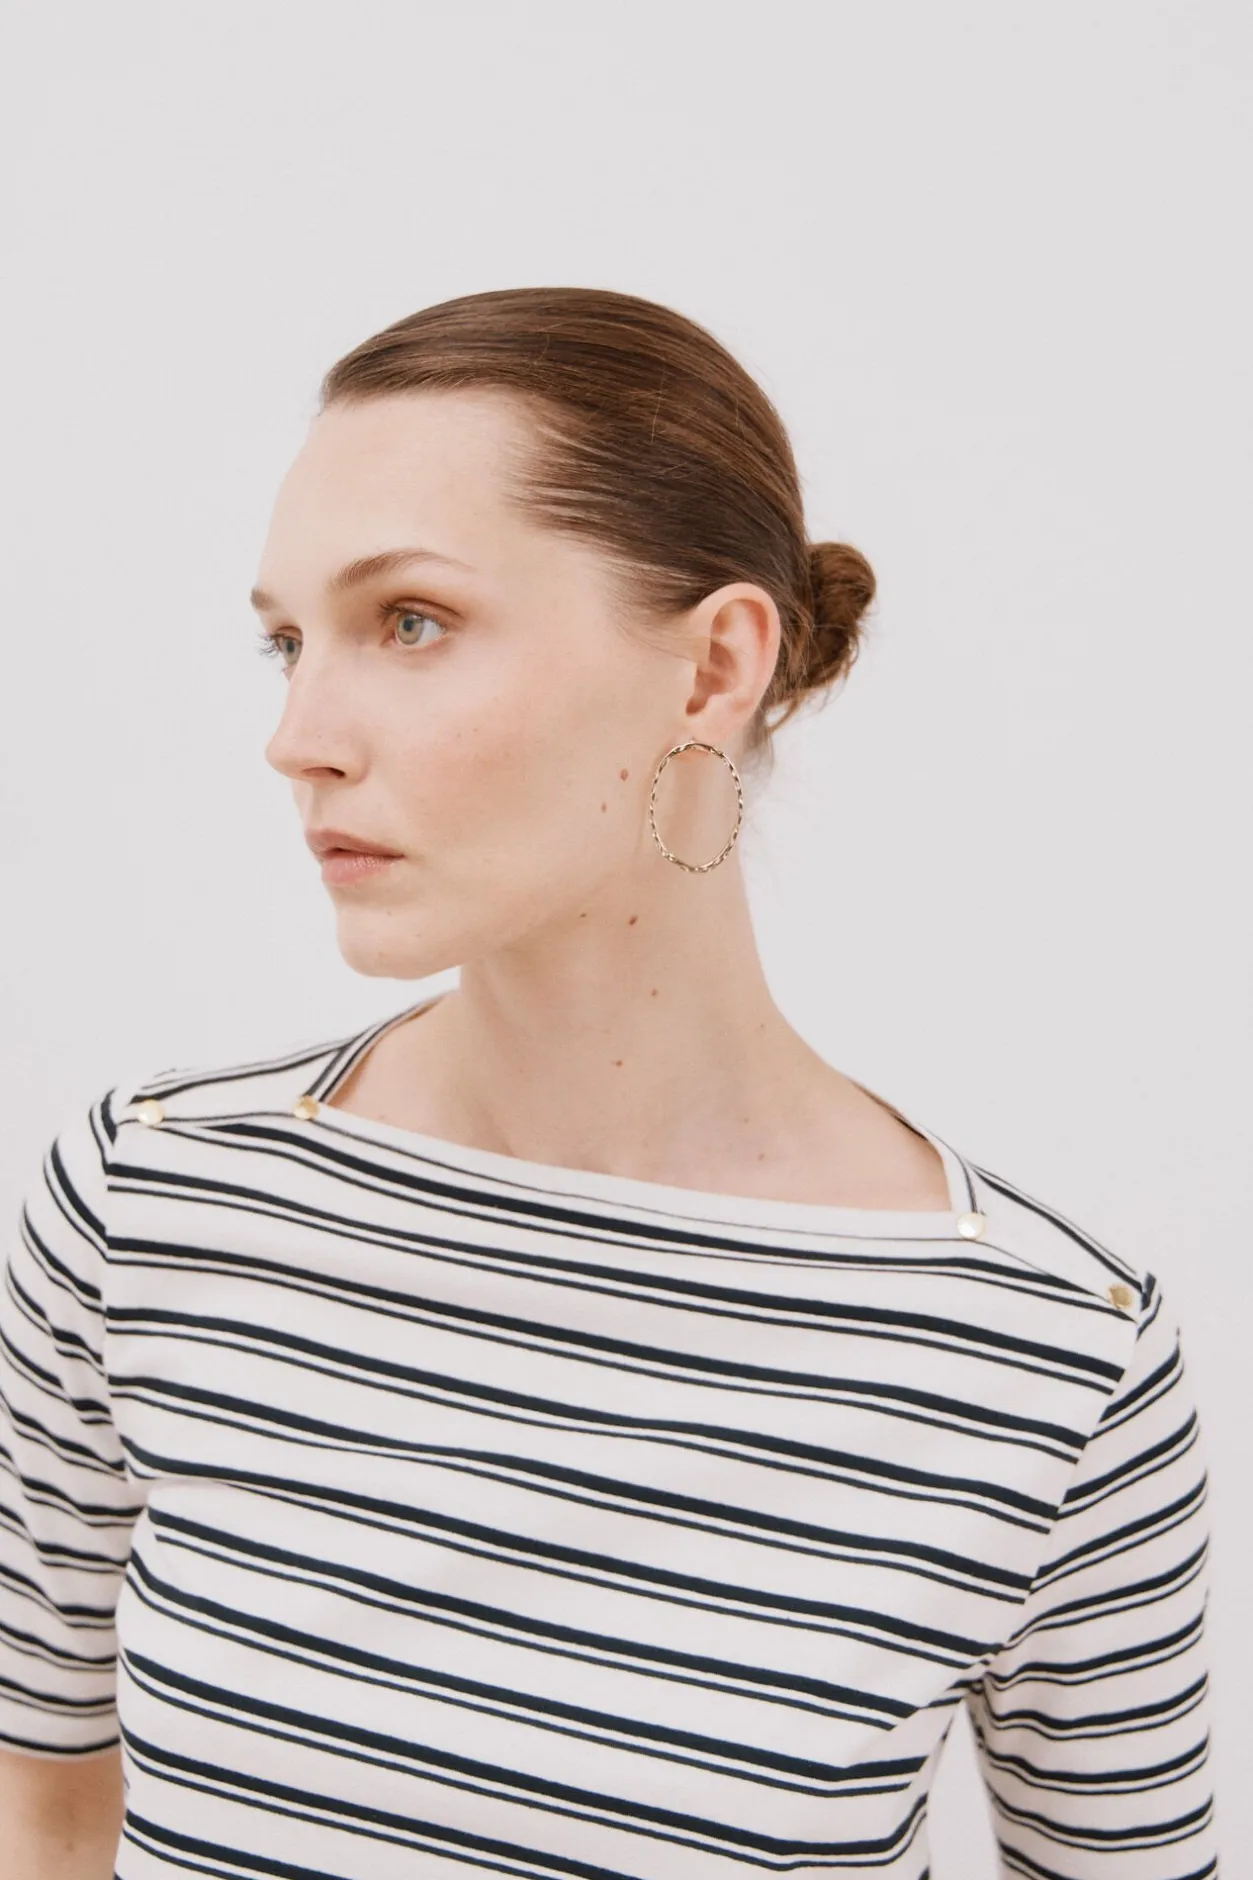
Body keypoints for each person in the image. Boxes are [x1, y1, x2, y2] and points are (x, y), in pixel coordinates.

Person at [0, 286, 1217, 1879]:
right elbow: (43, 1809)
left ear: (712, 669)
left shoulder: (1050, 1358)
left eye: (410, 621)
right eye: (286, 641)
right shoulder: (149, 1201)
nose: (298, 735)